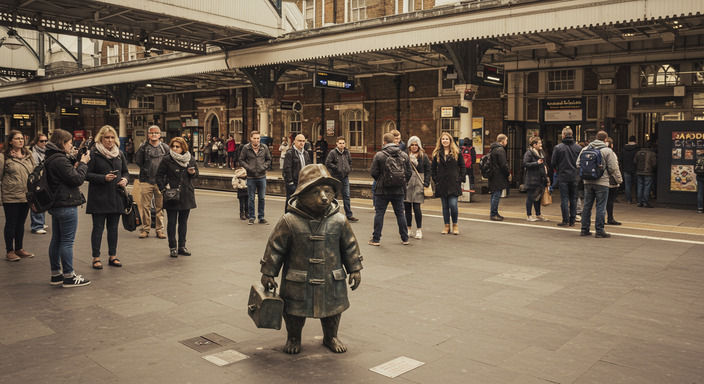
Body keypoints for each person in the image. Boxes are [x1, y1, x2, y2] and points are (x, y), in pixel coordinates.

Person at [260, 164, 362, 355]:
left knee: (333, 309)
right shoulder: (289, 220)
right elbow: (275, 247)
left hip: (331, 276)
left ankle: (331, 336)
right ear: (302, 194)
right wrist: (268, 272)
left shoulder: (339, 220)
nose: (323, 196)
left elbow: (350, 245)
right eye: (315, 191)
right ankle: (293, 337)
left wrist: (354, 268)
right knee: (294, 310)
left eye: (327, 191)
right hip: (299, 277)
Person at [45, 129, 91, 287]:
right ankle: (69, 276)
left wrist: (75, 164)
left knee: (56, 239)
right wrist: (83, 164)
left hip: (56, 204)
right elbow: (77, 179)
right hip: (66, 204)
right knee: (67, 242)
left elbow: (66, 175)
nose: (72, 146)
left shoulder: (50, 157)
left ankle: (56, 274)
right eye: (70, 143)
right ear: (62, 143)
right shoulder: (59, 159)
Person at [85, 125, 129, 269]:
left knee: (113, 228)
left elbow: (125, 172)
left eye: (112, 137)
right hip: (99, 197)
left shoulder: (119, 154)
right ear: (101, 138)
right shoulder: (94, 153)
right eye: (107, 138)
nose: (110, 140)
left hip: (116, 196)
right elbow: (86, 174)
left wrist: (125, 180)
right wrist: (103, 177)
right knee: (98, 228)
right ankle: (96, 257)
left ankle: (113, 256)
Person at [156, 137, 198, 258]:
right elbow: (158, 176)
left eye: (177, 147)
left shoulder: (190, 159)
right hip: (172, 195)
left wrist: (192, 173)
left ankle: (182, 247)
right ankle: (173, 247)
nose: (174, 149)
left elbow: (196, 175)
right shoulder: (167, 159)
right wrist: (163, 190)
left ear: (183, 147)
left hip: (186, 194)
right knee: (172, 222)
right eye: (173, 146)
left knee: (183, 222)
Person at [576, 130, 622, 238]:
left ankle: (584, 229)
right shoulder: (607, 151)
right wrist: (612, 176)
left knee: (587, 205)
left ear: (595, 138)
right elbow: (613, 167)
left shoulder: (585, 149)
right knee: (600, 206)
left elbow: (578, 164)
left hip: (587, 181)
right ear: (605, 139)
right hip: (602, 182)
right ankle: (599, 231)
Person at [369, 132, 412, 246]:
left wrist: (381, 180)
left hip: (382, 190)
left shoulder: (379, 155)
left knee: (379, 213)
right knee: (400, 213)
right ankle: (405, 238)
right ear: (394, 141)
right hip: (398, 190)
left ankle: (376, 239)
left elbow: (374, 172)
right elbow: (409, 172)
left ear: (384, 142)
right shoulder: (404, 155)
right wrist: (401, 182)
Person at [1, 130, 35, 262]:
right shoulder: (4, 156)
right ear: (10, 141)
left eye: (22, 138)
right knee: (11, 223)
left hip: (25, 194)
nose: (21, 141)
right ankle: (9, 250)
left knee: (21, 223)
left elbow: (34, 172)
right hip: (11, 194)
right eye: (17, 138)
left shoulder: (28, 154)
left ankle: (19, 248)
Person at [135, 125, 170, 239]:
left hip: (160, 182)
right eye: (151, 133)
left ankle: (159, 230)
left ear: (160, 135)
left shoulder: (165, 148)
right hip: (146, 180)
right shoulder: (143, 147)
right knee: (146, 206)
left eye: (156, 133)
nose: (154, 135)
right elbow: (138, 161)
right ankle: (146, 229)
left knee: (160, 207)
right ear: (148, 135)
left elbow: (169, 163)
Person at [432, 132, 466, 234]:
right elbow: (433, 169)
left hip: (453, 183)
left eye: (447, 139)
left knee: (453, 204)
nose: (445, 141)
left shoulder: (457, 152)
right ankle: (446, 225)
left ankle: (455, 224)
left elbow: (463, 167)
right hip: (442, 183)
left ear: (450, 140)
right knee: (445, 206)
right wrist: (436, 179)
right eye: (443, 139)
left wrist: (460, 178)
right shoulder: (436, 153)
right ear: (440, 141)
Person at [239, 130, 272, 224]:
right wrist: (249, 168)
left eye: (258, 138)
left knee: (262, 198)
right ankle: (252, 217)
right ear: (251, 139)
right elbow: (241, 160)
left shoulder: (264, 147)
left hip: (262, 176)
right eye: (254, 138)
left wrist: (264, 167)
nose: (256, 140)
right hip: (250, 177)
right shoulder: (246, 148)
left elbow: (269, 159)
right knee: (251, 198)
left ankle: (261, 217)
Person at [551, 128, 581, 227]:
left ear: (563, 135)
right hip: (574, 176)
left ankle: (565, 219)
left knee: (564, 198)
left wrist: (558, 169)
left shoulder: (558, 148)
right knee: (573, 198)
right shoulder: (578, 148)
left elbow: (553, 162)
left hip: (563, 175)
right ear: (572, 135)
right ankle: (572, 220)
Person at [325, 136, 357, 222]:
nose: (341, 145)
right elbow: (328, 163)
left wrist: (348, 169)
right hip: (335, 177)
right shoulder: (332, 153)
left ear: (345, 144)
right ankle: (331, 213)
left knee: (346, 196)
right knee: (334, 196)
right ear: (337, 144)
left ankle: (349, 215)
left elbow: (350, 162)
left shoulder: (347, 152)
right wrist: (336, 168)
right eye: (340, 143)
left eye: (343, 143)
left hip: (345, 177)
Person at [404, 136, 430, 239]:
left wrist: (427, 181)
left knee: (417, 207)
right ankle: (409, 228)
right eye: (412, 145)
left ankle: (419, 229)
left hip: (419, 182)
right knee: (407, 207)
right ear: (409, 146)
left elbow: (428, 170)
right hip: (408, 182)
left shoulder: (424, 156)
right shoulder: (405, 156)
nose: (414, 147)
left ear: (419, 146)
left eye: (416, 145)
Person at [522, 136, 549, 222]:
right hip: (532, 179)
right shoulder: (529, 153)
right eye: (539, 143)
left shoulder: (541, 153)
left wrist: (546, 177)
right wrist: (536, 163)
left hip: (541, 178)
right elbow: (525, 164)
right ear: (534, 145)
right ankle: (529, 215)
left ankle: (538, 214)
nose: (541, 145)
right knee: (530, 197)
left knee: (538, 197)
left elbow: (544, 165)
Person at [283, 134, 311, 212]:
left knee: (302, 203)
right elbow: (287, 169)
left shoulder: (306, 153)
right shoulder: (290, 153)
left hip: (303, 183)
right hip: (294, 182)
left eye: (303, 141)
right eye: (299, 141)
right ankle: (287, 220)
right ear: (294, 141)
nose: (301, 143)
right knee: (291, 202)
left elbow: (308, 168)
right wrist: (290, 183)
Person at [488, 134, 510, 221]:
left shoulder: (493, 149)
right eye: (506, 140)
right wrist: (508, 174)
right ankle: (493, 214)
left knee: (494, 194)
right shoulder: (500, 150)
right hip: (498, 175)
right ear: (502, 141)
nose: (507, 142)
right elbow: (503, 165)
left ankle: (494, 212)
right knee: (497, 194)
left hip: (493, 174)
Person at [30, 134, 49, 235]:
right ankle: (37, 225)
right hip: (37, 179)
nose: (44, 143)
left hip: (43, 179)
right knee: (37, 201)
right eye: (41, 141)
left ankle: (41, 222)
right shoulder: (33, 153)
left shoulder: (45, 152)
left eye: (46, 141)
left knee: (43, 199)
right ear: (36, 142)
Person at [634, 140, 657, 208]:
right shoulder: (652, 153)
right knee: (647, 187)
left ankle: (639, 202)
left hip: (639, 171)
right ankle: (645, 202)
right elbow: (654, 163)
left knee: (640, 186)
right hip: (648, 172)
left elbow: (635, 161)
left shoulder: (638, 153)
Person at [605, 138, 622, 225]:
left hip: (600, 180)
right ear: (611, 145)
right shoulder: (612, 154)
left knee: (601, 202)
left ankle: (600, 219)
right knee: (610, 200)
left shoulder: (597, 151)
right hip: (610, 181)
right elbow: (615, 169)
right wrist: (619, 180)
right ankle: (610, 218)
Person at [620, 136, 639, 204]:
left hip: (626, 168)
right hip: (635, 168)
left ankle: (628, 199)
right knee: (637, 184)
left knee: (627, 185)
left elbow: (621, 159)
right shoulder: (637, 149)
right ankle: (638, 199)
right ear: (635, 140)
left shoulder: (623, 149)